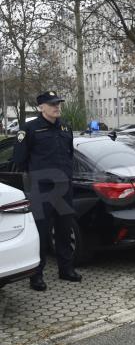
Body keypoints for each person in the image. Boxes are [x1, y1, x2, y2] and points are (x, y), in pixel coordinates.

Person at [12, 91, 82, 291]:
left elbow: (69, 154)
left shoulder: (65, 126)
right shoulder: (29, 129)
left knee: (64, 229)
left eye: (58, 103)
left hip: (63, 186)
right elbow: (19, 160)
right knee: (41, 233)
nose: (57, 107)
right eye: (52, 104)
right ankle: (36, 276)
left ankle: (66, 269)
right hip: (41, 188)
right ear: (41, 107)